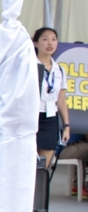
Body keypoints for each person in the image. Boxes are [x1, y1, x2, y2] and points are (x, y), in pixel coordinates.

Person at [33, 27, 71, 169]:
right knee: (28, 163)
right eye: (45, 39)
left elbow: (61, 100)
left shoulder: (59, 69)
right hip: (31, 117)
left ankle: (40, 184)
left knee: (43, 166)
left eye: (54, 39)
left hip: (50, 119)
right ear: (36, 43)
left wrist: (66, 126)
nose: (50, 43)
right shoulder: (29, 66)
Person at [58, 133, 88, 199]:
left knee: (83, 144)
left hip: (63, 146)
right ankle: (79, 186)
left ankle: (77, 185)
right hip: (62, 148)